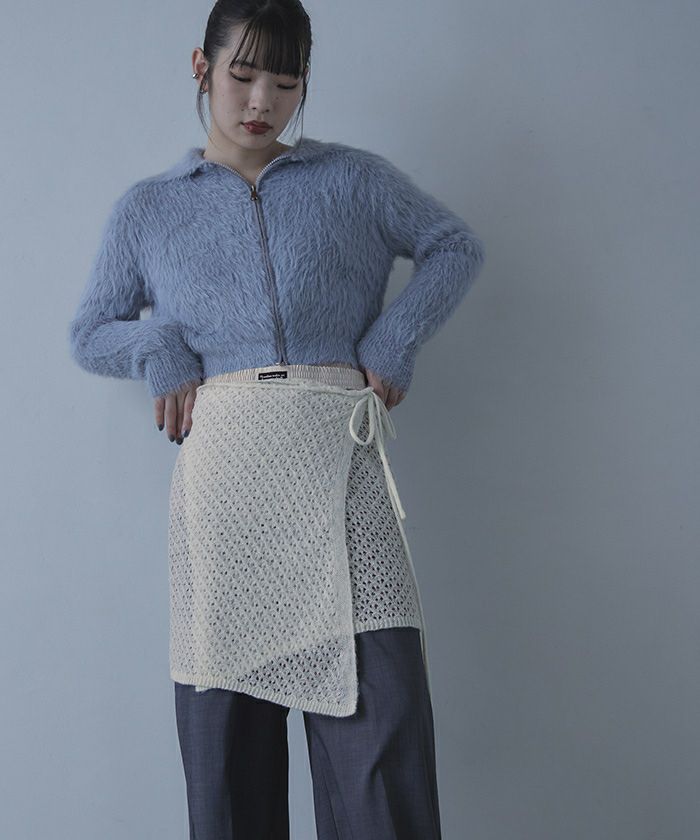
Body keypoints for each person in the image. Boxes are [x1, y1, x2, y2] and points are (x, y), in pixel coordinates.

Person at [68, 1, 486, 837]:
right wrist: (158, 347)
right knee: (230, 770)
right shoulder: (150, 209)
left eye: (287, 83)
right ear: (202, 68)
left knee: (382, 754)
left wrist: (392, 341)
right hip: (226, 499)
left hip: (342, 481)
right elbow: (92, 331)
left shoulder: (355, 180)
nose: (263, 101)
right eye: (244, 74)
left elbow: (453, 245)